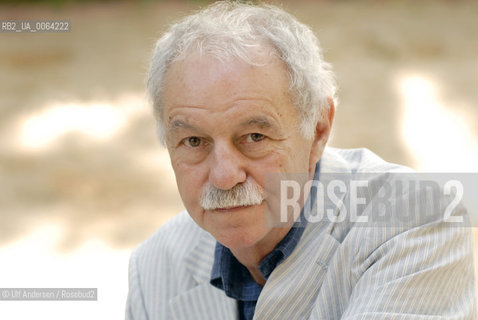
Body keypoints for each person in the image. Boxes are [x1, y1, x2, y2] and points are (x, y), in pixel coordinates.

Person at [126, 2, 477, 319]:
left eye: (254, 137)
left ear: (319, 130)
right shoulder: (155, 268)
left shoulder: (419, 224)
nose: (223, 176)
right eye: (193, 141)